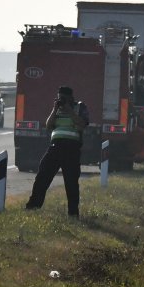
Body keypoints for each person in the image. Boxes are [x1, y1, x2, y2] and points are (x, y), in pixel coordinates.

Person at [25, 86, 89, 217]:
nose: (61, 101)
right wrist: (55, 109)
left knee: (71, 182)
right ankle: (33, 206)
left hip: (72, 148)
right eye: (59, 98)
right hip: (55, 146)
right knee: (42, 176)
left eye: (63, 98)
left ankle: (73, 213)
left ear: (71, 98)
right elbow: (48, 125)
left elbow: (82, 124)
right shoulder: (57, 109)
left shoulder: (79, 107)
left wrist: (70, 110)